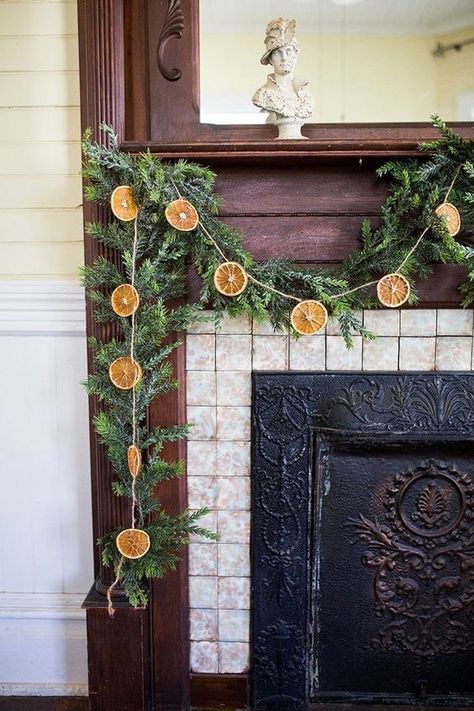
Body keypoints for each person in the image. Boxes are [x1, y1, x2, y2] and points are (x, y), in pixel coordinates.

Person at [252, 17, 314, 139]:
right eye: (277, 53)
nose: (284, 58)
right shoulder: (262, 95)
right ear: (270, 59)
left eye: (288, 51)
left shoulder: (307, 97)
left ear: (296, 54)